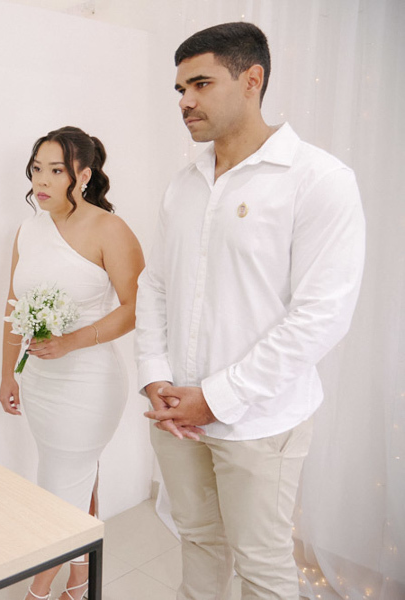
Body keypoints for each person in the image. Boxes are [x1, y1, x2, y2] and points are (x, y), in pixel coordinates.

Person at [135, 22, 365, 599]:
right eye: (180, 88)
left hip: (260, 422)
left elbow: (320, 316)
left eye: (201, 84)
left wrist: (216, 397)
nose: (185, 101)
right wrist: (154, 376)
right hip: (174, 412)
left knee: (261, 568)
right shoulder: (183, 183)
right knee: (197, 542)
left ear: (251, 80)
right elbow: (155, 284)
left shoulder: (319, 180)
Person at [0, 126, 144, 600]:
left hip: (88, 383)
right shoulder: (28, 229)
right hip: (39, 379)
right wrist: (8, 375)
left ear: (82, 174)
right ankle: (81, 585)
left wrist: (71, 342)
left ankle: (38, 592)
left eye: (55, 170)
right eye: (36, 168)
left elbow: (135, 308)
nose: (41, 180)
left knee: (58, 491)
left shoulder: (110, 229)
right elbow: (13, 305)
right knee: (76, 480)